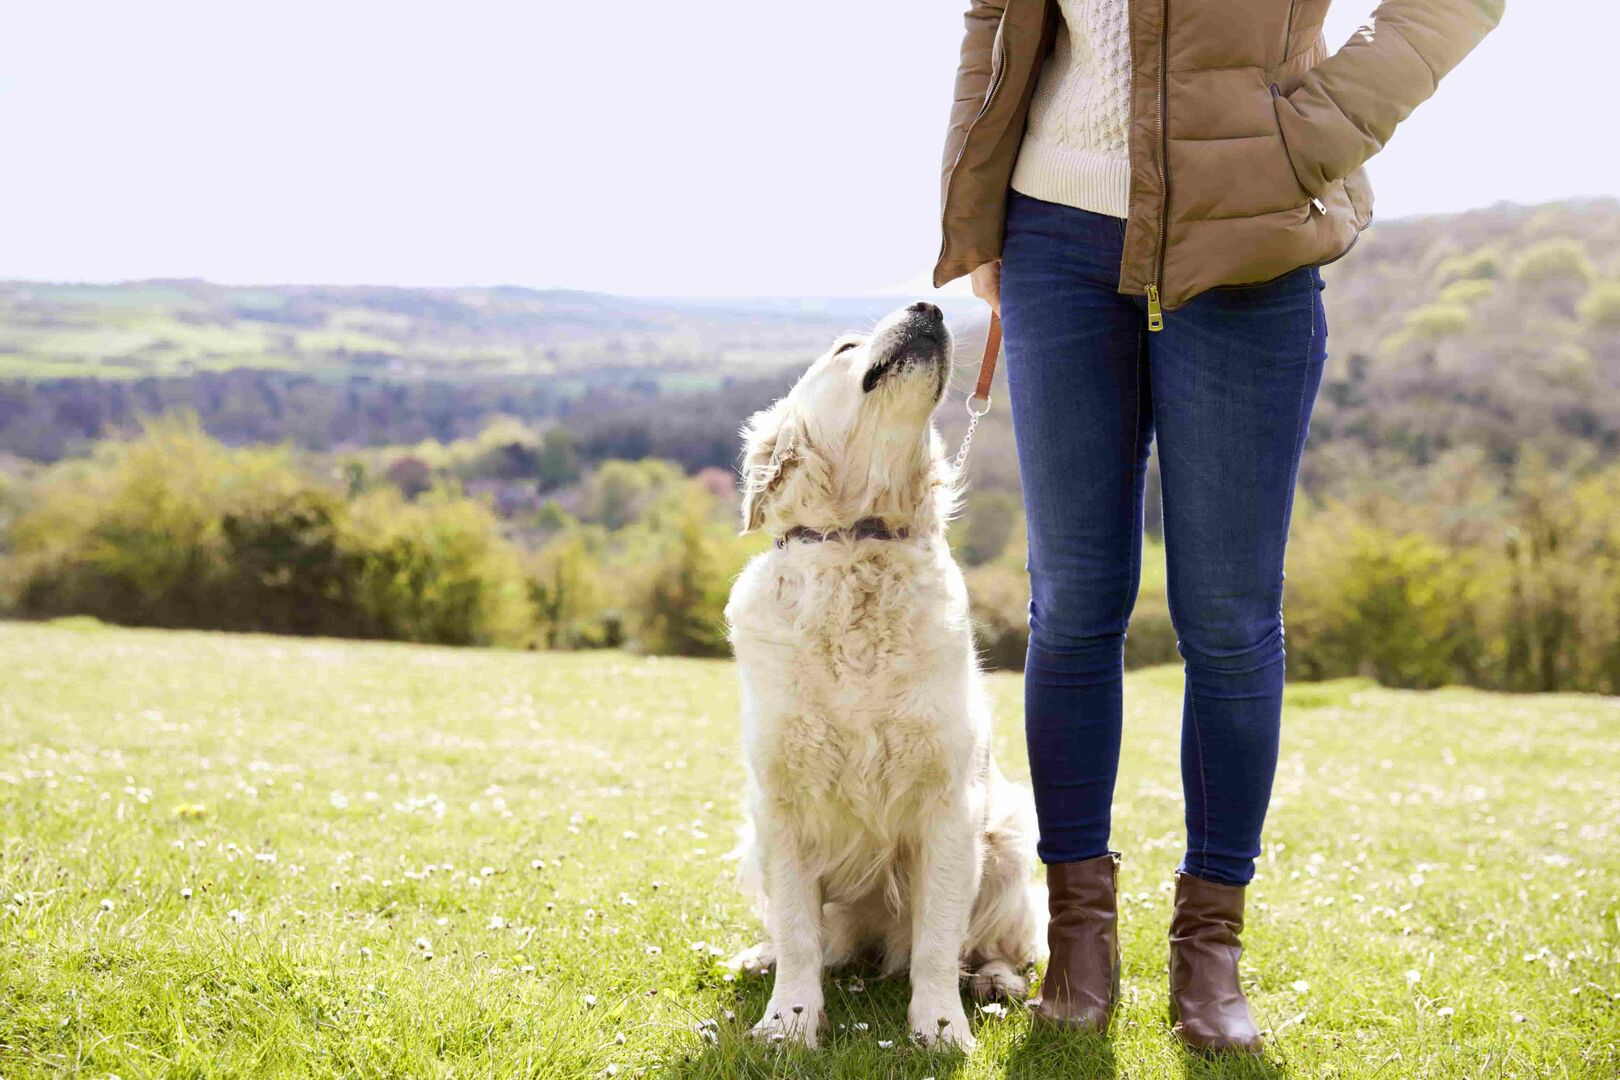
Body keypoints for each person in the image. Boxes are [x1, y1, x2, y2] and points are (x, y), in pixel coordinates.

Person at [936, 0, 1503, 1054]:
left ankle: (1210, 950)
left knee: (1232, 619)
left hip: (1249, 237)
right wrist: (974, 208)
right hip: (1056, 236)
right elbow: (997, 19)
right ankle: (1082, 938)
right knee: (1072, 606)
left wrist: (1306, 140)